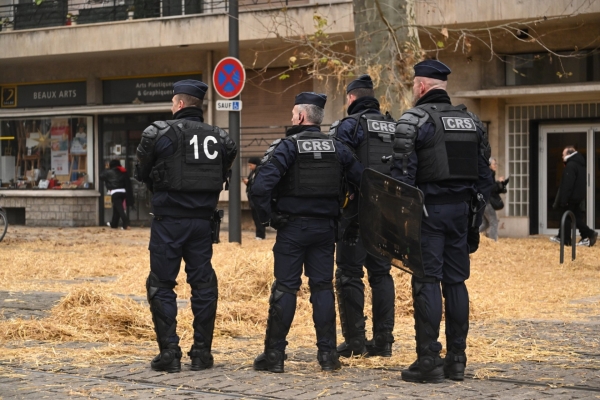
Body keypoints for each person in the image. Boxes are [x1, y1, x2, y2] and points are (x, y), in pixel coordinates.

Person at [391, 59, 494, 383]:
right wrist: (474, 215)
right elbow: (485, 178)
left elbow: (401, 180)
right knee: (456, 282)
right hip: (461, 214)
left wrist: (400, 224)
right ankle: (457, 360)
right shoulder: (472, 122)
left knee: (426, 281)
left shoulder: (414, 120)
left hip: (428, 214)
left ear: (421, 86)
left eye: (413, 86)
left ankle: (428, 360)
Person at [250, 92, 363, 373]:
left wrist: (268, 219)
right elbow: (362, 181)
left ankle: (274, 357)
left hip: (293, 228)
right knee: (322, 288)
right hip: (326, 229)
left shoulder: (287, 147)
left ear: (301, 117)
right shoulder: (339, 148)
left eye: (292, 115)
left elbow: (260, 187)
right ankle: (328, 356)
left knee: (286, 288)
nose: (291, 119)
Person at [135, 79, 237, 373]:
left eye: (172, 102)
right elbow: (225, 166)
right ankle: (202, 354)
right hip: (203, 223)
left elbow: (141, 172)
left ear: (179, 104)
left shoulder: (159, 132)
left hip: (169, 222)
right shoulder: (220, 137)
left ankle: (169, 353)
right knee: (203, 285)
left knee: (160, 283)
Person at [329, 74, 397, 358]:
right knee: (381, 273)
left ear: (351, 98)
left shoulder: (349, 126)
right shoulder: (394, 125)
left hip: (354, 209)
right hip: (389, 209)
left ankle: (355, 341)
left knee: (349, 273)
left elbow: (336, 168)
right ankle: (384, 342)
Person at [551, 146, 597, 247]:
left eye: (563, 154)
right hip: (578, 196)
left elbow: (568, 184)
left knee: (566, 217)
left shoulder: (571, 166)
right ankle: (586, 234)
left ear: (568, 154)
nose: (562, 157)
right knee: (575, 217)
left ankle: (567, 239)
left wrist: (564, 199)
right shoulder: (579, 164)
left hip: (571, 197)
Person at [479, 158, 508, 241]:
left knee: (485, 223)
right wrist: (498, 182)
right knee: (494, 222)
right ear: (489, 165)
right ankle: (493, 241)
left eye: (496, 163)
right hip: (487, 202)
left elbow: (493, 189)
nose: (496, 165)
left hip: (485, 202)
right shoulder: (488, 175)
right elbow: (489, 188)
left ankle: (471, 236)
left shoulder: (490, 174)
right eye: (494, 164)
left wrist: (501, 184)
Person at [100, 159, 133, 230]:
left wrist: (106, 169)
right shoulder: (123, 171)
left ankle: (126, 223)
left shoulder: (109, 172)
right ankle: (114, 224)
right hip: (123, 192)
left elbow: (101, 176)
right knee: (117, 208)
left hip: (115, 192)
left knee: (119, 208)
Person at [243, 156, 266, 240]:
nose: (249, 167)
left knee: (259, 217)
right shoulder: (252, 172)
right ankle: (258, 234)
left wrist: (249, 182)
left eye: (250, 165)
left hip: (257, 199)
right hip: (252, 198)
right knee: (255, 217)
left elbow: (258, 183)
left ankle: (260, 234)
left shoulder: (260, 172)